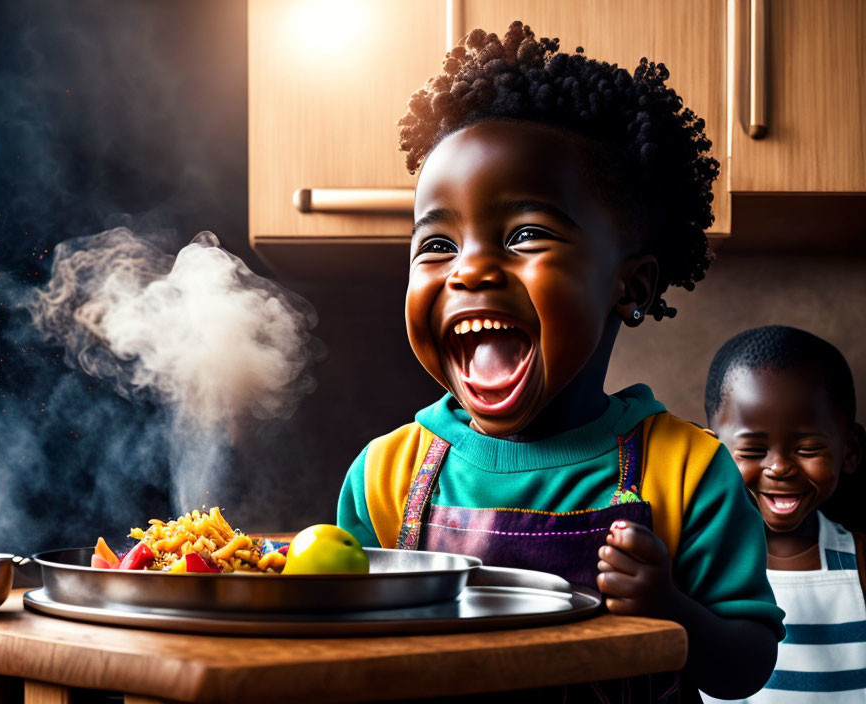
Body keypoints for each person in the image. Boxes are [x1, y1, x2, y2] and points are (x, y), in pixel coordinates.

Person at [337, 21, 784, 701]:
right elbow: (334, 652)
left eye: (524, 235)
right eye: (437, 246)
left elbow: (747, 665)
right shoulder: (384, 476)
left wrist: (671, 606)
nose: (470, 270)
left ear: (629, 285)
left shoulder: (689, 471)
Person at [701, 325, 866, 703]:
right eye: (753, 451)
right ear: (713, 455)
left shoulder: (859, 562)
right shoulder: (696, 562)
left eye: (807, 449)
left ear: (851, 450)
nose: (780, 468)